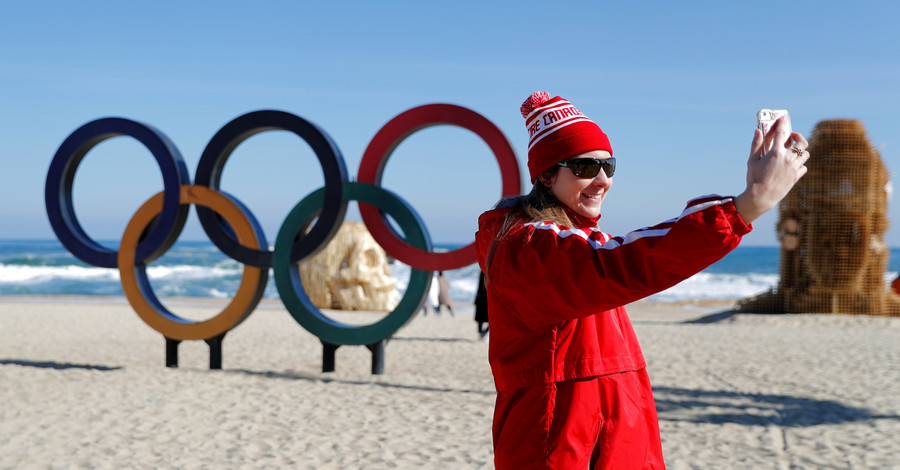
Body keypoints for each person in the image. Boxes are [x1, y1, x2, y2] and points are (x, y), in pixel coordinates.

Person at [475, 91, 808, 469]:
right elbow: (623, 262)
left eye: (609, 166)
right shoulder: (529, 248)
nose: (602, 180)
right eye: (584, 167)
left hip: (614, 442)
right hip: (560, 447)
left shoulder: (566, 242)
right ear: (547, 175)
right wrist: (749, 203)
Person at [474, 271, 489, 339]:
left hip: (481, 297)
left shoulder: (482, 272)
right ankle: (483, 333)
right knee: (491, 320)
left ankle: (481, 333)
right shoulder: (490, 272)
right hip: (488, 298)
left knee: (480, 318)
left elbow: (479, 286)